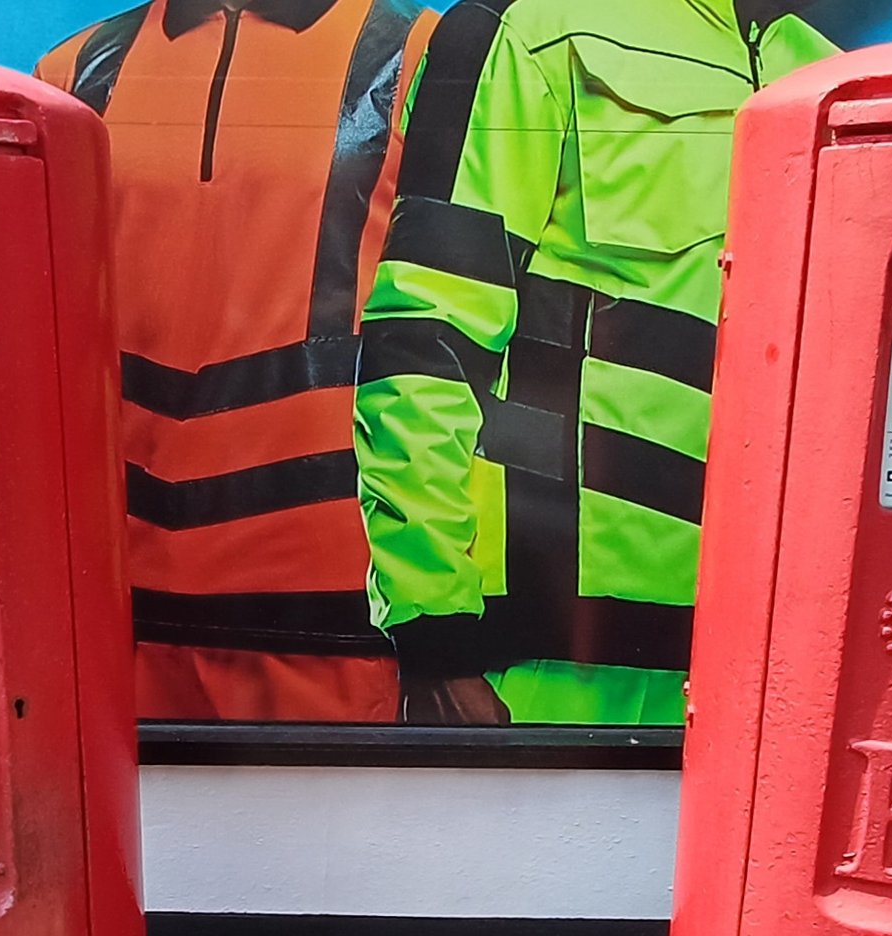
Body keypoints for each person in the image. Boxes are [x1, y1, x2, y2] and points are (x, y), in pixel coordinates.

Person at [354, 0, 833, 724]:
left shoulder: (829, 73)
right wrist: (436, 631)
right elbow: (426, 336)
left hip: (771, 679)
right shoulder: (533, 29)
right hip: (548, 670)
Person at [37, 0, 438, 722]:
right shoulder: (72, 73)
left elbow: (453, 344)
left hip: (330, 607)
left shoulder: (417, 52)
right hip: (115, 600)